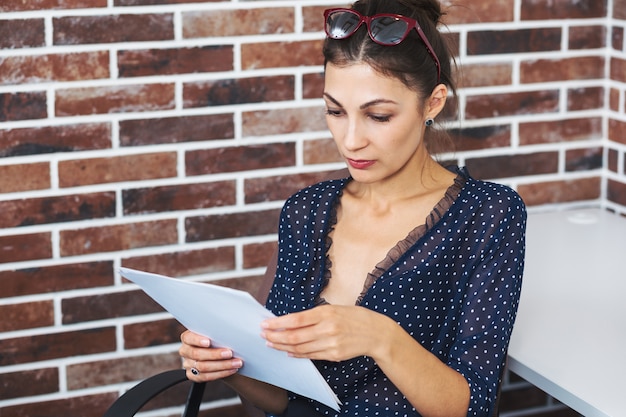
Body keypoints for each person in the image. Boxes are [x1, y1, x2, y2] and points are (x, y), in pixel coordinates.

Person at [179, 0, 527, 416]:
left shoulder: (487, 215)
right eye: (334, 111)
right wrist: (226, 365)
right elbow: (285, 403)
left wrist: (380, 337)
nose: (350, 140)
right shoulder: (305, 212)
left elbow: (474, 407)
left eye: (378, 116)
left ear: (432, 103)